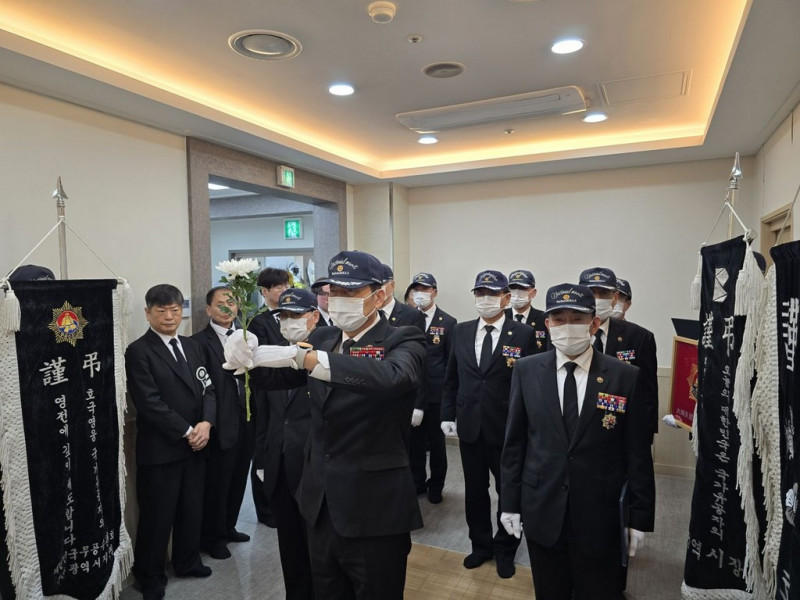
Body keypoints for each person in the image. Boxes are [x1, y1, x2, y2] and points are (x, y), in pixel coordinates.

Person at [223, 250, 426, 600]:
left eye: (351, 291)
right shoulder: (323, 338)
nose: (339, 300)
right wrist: (245, 354)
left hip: (373, 507)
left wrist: (312, 360)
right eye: (334, 292)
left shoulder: (403, 338)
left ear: (379, 296)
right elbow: (277, 379)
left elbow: (394, 376)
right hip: (319, 503)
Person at [500, 284, 655, 600]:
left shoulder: (624, 376)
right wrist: (509, 504)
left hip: (600, 513)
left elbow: (637, 453)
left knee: (597, 591)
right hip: (542, 506)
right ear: (548, 324)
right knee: (550, 591)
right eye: (559, 319)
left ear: (594, 324)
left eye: (577, 319)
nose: (567, 326)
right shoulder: (527, 371)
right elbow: (514, 444)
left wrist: (640, 517)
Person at [441, 270, 535, 579]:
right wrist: (447, 414)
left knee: (508, 490)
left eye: (492, 294)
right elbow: (451, 377)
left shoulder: (523, 334)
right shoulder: (461, 330)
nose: (485, 300)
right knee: (475, 491)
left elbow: (532, 383)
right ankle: (480, 546)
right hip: (470, 426)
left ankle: (506, 549)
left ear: (506, 298)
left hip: (507, 429)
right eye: (480, 294)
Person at [125, 284, 215, 600]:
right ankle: (149, 575)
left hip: (196, 445)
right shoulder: (139, 351)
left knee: (191, 509)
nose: (169, 317)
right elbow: (149, 403)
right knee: (157, 516)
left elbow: (208, 388)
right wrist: (188, 430)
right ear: (148, 313)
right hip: (162, 449)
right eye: (161, 311)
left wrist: (206, 423)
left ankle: (187, 561)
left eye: (175, 310)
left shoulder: (192, 346)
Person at [257, 287, 321, 600]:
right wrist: (260, 460)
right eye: (284, 315)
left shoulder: (327, 355)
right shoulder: (273, 356)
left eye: (296, 315)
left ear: (314, 316)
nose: (289, 321)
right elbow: (264, 415)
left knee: (316, 547)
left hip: (313, 467)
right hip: (279, 463)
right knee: (290, 546)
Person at [191, 287, 251, 560]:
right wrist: (209, 420)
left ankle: (229, 527)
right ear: (208, 309)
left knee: (239, 477)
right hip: (220, 422)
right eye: (221, 304)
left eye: (232, 303)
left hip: (246, 418)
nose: (227, 309)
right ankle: (213, 538)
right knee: (218, 483)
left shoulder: (247, 336)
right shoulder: (198, 342)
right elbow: (204, 387)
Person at [578, 267, 659, 442]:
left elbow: (647, 392)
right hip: (578, 428)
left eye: (603, 293)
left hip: (620, 429)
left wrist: (646, 436)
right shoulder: (566, 334)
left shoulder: (639, 337)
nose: (597, 298)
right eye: (591, 292)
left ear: (615, 297)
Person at [247, 267, 291, 527]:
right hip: (267, 389)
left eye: (287, 286)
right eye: (279, 287)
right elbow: (262, 356)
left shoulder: (293, 315)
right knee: (264, 444)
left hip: (291, 387)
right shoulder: (258, 321)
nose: (284, 291)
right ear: (264, 291)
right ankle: (265, 509)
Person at [407, 272, 457, 503]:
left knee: (437, 444)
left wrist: (449, 399)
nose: (420, 294)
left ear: (434, 292)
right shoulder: (407, 318)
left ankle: (436, 485)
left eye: (425, 290)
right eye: (416, 290)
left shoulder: (448, 322)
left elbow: (450, 362)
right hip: (412, 391)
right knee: (414, 443)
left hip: (437, 394)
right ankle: (417, 481)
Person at [505, 269, 550, 353]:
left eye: (522, 288)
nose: (517, 293)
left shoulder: (544, 319)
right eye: (513, 288)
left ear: (533, 292)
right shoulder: (501, 316)